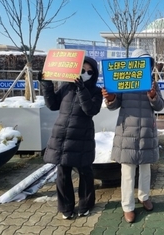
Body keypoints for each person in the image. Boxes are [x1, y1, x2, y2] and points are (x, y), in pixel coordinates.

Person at [101, 48, 164, 223]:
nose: (145, 68)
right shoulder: (122, 81)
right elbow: (113, 106)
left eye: (147, 64)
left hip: (146, 132)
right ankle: (127, 206)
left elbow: (160, 106)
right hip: (127, 132)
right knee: (128, 172)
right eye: (141, 64)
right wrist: (111, 97)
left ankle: (144, 197)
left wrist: (153, 96)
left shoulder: (152, 82)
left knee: (145, 169)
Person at [39, 56, 103, 220]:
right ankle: (66, 207)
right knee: (63, 172)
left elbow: (90, 110)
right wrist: (46, 83)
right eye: (82, 70)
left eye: (90, 72)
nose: (86, 74)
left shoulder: (96, 91)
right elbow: (52, 105)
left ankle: (86, 204)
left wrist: (82, 89)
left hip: (82, 136)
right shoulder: (66, 86)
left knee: (85, 172)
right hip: (62, 135)